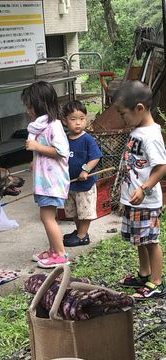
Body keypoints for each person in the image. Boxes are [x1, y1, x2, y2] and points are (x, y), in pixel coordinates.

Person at [114, 80, 166, 299]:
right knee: (140, 240)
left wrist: (144, 189)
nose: (122, 119)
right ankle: (144, 274)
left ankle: (157, 282)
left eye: (123, 113)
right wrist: (124, 195)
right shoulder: (138, 130)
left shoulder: (151, 136)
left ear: (139, 108)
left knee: (151, 241)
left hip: (145, 200)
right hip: (133, 199)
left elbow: (162, 166)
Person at [22, 81, 70, 268]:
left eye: (29, 106)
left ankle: (59, 254)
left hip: (52, 182)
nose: (27, 110)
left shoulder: (54, 125)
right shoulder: (41, 126)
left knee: (47, 217)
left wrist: (37, 147)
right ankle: (53, 250)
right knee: (47, 216)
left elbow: (61, 151)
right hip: (45, 180)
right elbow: (45, 151)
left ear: (40, 104)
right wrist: (36, 160)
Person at [61, 100, 102, 247]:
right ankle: (79, 231)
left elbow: (95, 157)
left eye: (81, 119)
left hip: (85, 184)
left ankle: (82, 236)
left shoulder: (87, 139)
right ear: (65, 121)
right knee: (74, 211)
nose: (78, 123)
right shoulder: (64, 139)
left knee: (85, 212)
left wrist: (85, 170)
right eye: (73, 119)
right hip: (71, 184)